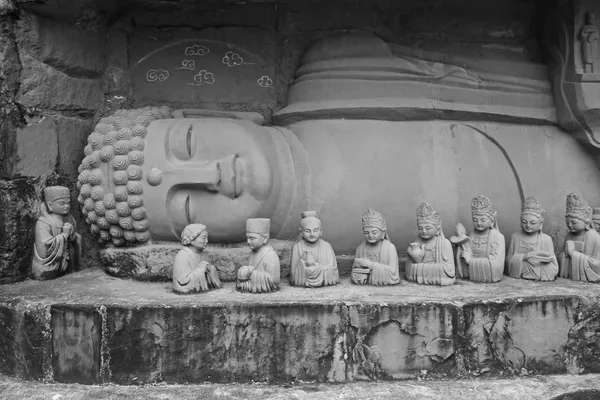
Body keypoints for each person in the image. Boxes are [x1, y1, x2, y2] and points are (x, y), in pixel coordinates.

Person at [31, 186, 81, 280]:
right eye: (61, 203)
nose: (66, 206)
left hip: (68, 262)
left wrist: (72, 236)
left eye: (68, 203)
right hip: (50, 267)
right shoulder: (44, 222)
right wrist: (64, 236)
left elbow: (75, 241)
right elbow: (43, 248)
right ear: (50, 205)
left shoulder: (70, 219)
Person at [506, 197, 558, 281]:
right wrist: (525, 256)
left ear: (541, 223)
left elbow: (553, 262)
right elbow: (508, 260)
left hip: (540, 268)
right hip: (522, 268)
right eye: (524, 222)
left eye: (532, 223)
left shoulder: (546, 239)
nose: (528, 225)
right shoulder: (515, 237)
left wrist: (547, 260)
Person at [455, 195, 505, 283]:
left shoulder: (497, 237)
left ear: (492, 220)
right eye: (475, 220)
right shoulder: (472, 235)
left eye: (483, 220)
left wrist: (471, 261)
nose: (478, 223)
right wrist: (461, 244)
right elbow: (465, 256)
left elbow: (496, 265)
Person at [405, 202, 455, 286]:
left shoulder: (444, 243)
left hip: (436, 277)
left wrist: (420, 267)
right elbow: (409, 269)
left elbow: (449, 270)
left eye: (428, 228)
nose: (424, 231)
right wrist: (411, 257)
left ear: (437, 227)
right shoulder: (417, 243)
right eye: (420, 228)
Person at [557, 193, 600, 282]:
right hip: (569, 279)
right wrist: (564, 255)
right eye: (567, 222)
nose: (570, 225)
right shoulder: (569, 235)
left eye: (574, 222)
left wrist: (574, 254)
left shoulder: (594, 237)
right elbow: (561, 256)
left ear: (586, 221)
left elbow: (597, 265)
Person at [351, 209, 400, 285]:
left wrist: (369, 264)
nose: (370, 235)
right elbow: (355, 271)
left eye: (374, 232)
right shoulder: (360, 249)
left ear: (382, 232)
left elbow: (393, 273)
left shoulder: (389, 248)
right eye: (366, 232)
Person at [290, 211, 339, 287]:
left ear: (321, 232)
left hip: (322, 280)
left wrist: (318, 269)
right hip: (305, 280)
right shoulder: (297, 247)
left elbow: (333, 271)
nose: (312, 234)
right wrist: (304, 267)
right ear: (301, 232)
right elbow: (294, 273)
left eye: (315, 230)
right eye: (307, 231)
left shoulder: (326, 246)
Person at [172, 223, 221, 294]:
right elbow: (181, 282)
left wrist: (210, 269)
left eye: (207, 238)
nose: (206, 241)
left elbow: (209, 275)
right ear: (192, 239)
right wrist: (200, 271)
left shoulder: (204, 254)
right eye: (203, 238)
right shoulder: (182, 256)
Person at [237, 218, 281, 293]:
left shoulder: (270, 255)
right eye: (247, 238)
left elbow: (275, 280)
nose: (248, 241)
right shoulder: (252, 253)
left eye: (252, 238)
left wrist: (252, 273)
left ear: (265, 238)